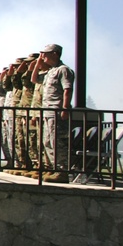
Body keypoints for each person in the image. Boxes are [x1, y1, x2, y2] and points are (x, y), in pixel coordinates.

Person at [32, 43, 75, 183]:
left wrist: (65, 108)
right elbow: (34, 80)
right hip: (47, 112)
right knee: (47, 142)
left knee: (57, 142)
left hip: (56, 111)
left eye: (46, 53)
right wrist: (38, 62)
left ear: (55, 54)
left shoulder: (63, 70)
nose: (43, 56)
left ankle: (61, 171)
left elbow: (67, 90)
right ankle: (52, 169)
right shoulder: (51, 71)